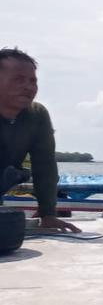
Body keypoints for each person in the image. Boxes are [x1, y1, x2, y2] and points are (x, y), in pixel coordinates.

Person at [0, 48, 78, 232]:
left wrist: (48, 213)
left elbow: (45, 166)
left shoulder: (36, 115)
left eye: (33, 81)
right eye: (18, 79)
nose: (28, 87)